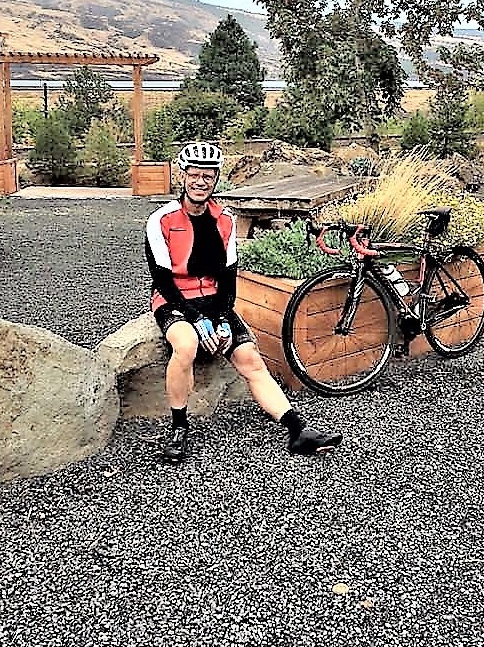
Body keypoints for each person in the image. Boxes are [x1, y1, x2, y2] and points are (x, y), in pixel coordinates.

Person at [145, 141, 343, 465]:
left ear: (216, 179)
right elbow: (163, 280)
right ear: (182, 176)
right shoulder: (161, 219)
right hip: (174, 298)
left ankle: (298, 430)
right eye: (194, 175)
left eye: (207, 176)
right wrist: (197, 319)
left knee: (250, 358)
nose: (200, 182)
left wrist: (222, 319)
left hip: (213, 299)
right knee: (186, 344)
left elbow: (228, 278)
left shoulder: (225, 220)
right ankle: (179, 428)